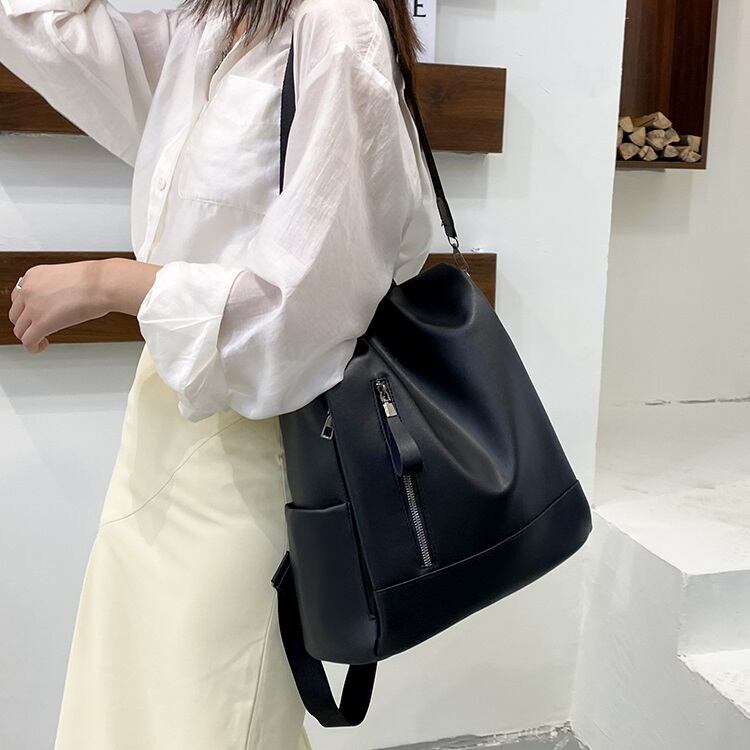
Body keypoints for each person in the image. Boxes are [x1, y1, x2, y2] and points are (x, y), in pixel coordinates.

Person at [2, 0, 436, 747]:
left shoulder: (335, 27)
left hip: (264, 451)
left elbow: (301, 316)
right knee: (131, 711)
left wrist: (107, 282)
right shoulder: (212, 26)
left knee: (212, 718)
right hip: (161, 435)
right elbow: (33, 20)